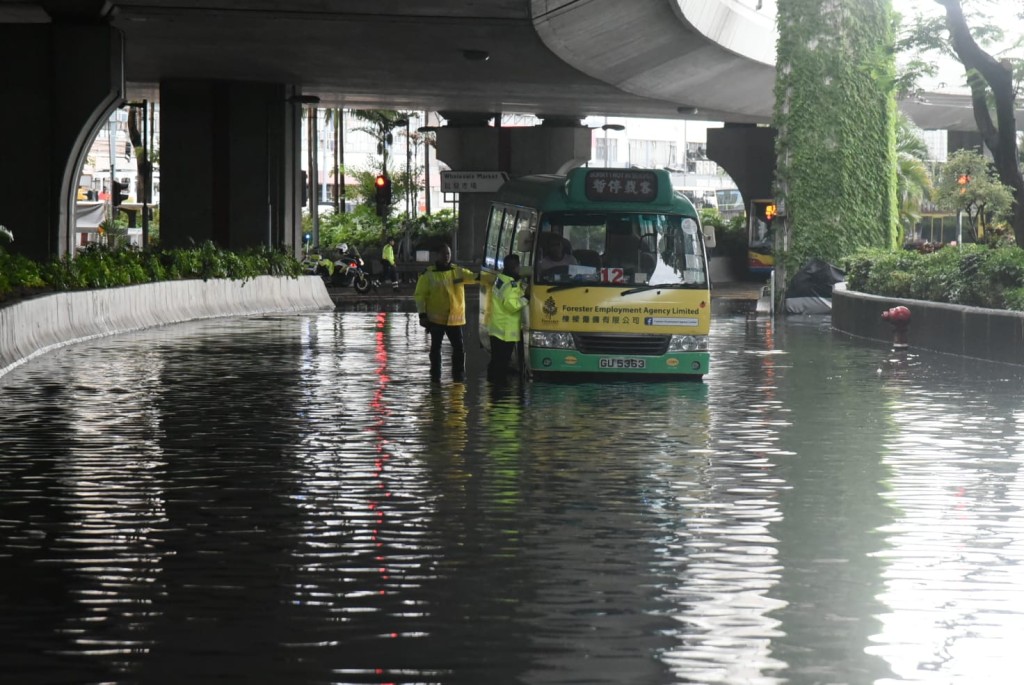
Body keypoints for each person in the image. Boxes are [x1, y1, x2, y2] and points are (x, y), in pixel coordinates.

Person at [414, 244, 479, 382]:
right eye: (444, 254)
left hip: (454, 320)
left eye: (448, 254)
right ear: (437, 255)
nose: (447, 256)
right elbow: (420, 295)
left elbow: (474, 277)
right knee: (436, 349)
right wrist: (422, 315)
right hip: (436, 320)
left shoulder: (458, 272)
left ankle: (458, 375)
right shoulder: (428, 274)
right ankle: (435, 375)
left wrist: (493, 277)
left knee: (459, 349)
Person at [487, 254, 528, 383]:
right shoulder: (511, 285)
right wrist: (526, 298)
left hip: (497, 328)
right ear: (515, 267)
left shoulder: (500, 279)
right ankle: (499, 389)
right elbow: (511, 305)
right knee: (502, 364)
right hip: (506, 331)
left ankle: (492, 387)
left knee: (496, 361)